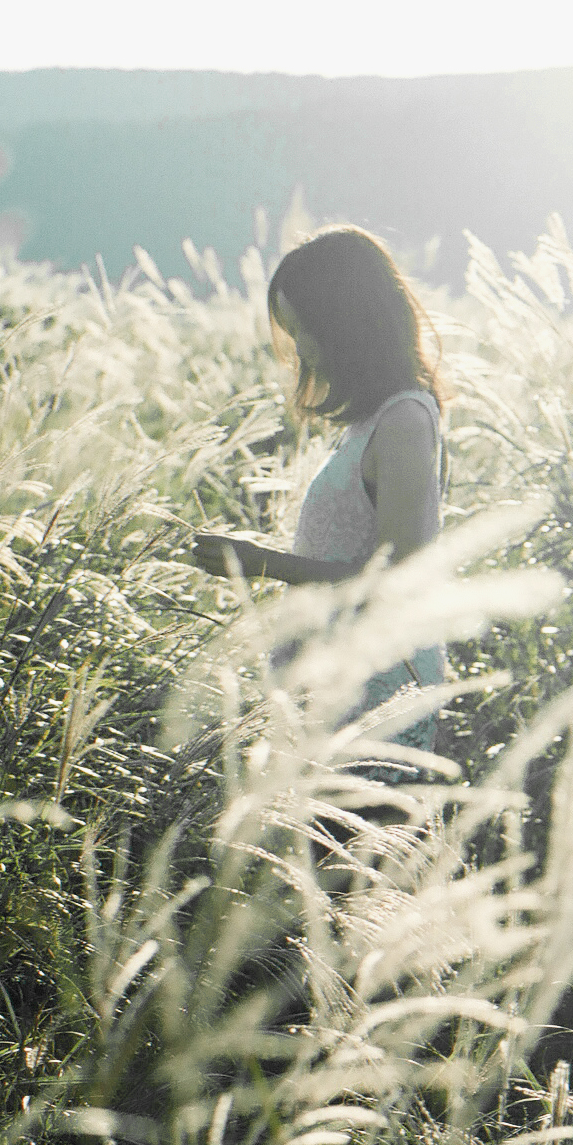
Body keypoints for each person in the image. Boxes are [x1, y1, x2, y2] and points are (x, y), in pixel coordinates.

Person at [190, 224, 448, 770]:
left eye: (304, 328)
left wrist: (262, 563)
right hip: (336, 684)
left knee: (356, 852)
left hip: (376, 693)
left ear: (347, 327)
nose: (299, 348)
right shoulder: (372, 421)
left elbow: (398, 574)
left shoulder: (403, 420)